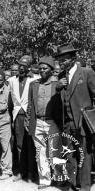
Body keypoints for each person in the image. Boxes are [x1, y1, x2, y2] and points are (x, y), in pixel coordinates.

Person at [55, 44, 95, 191]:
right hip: (68, 124)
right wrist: (58, 87)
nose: (61, 63)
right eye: (59, 60)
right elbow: (61, 100)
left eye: (64, 60)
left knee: (84, 156)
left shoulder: (86, 73)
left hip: (83, 123)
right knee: (70, 155)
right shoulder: (60, 77)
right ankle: (73, 184)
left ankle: (84, 187)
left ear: (72, 59)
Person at [25, 56, 62, 189]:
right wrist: (29, 121)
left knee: (54, 152)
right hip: (38, 122)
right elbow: (30, 105)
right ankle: (45, 180)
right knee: (40, 153)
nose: (42, 71)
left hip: (53, 123)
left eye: (45, 68)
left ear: (51, 70)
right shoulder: (33, 84)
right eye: (40, 68)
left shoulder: (57, 83)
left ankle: (58, 177)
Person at [9, 55, 38, 182]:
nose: (21, 68)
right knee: (19, 145)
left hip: (30, 116)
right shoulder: (11, 81)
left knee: (31, 145)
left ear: (29, 68)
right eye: (19, 65)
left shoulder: (35, 79)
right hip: (17, 117)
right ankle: (22, 172)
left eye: (24, 66)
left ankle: (32, 173)